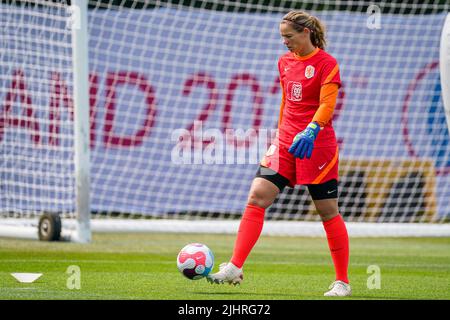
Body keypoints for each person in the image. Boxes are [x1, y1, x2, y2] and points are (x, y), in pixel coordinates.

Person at [206, 10, 351, 297]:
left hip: (316, 143)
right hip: (285, 141)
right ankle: (235, 266)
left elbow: (327, 105)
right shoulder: (284, 61)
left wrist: (311, 130)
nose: (284, 42)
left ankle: (342, 282)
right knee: (257, 196)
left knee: (327, 211)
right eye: (282, 37)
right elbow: (286, 101)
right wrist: (280, 133)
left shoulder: (327, 64)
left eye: (288, 36)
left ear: (305, 33)